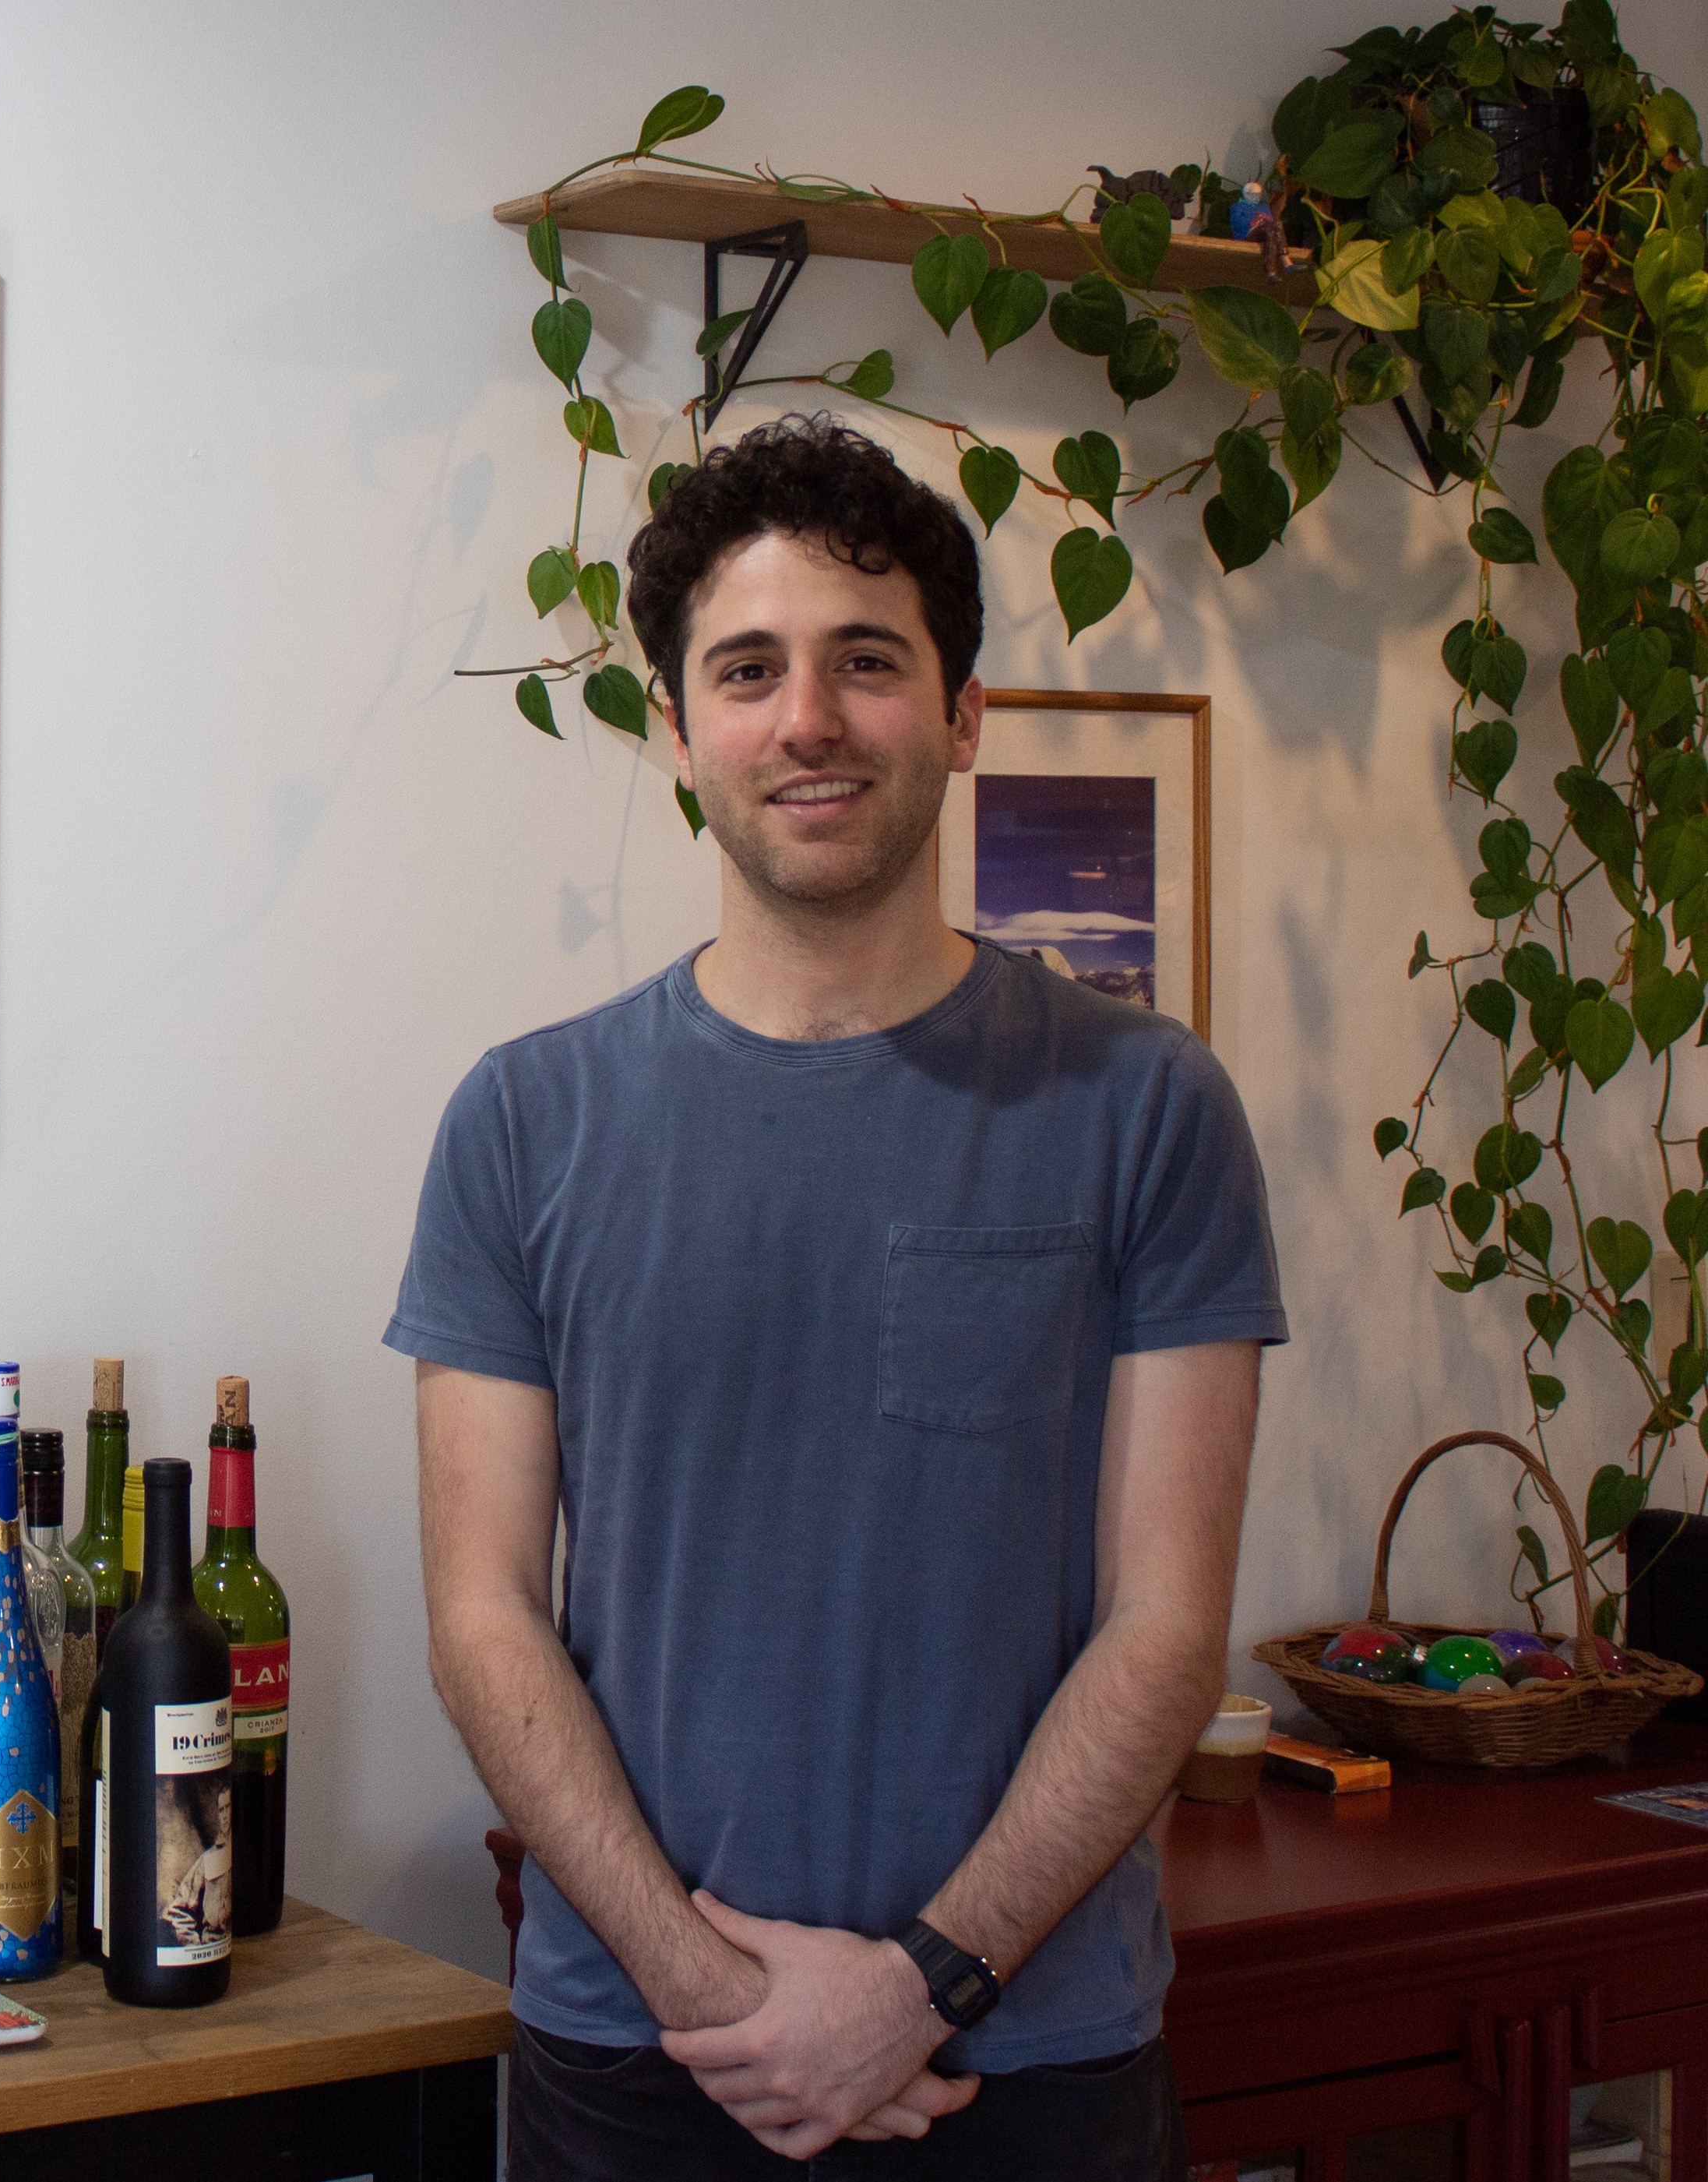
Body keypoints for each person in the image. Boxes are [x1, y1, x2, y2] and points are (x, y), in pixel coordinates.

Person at [392, 417, 1284, 2179]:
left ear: (958, 716)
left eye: (865, 662)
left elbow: (1165, 1630)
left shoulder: (1143, 1107)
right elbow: (482, 1617)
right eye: (746, 670)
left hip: (1025, 2066)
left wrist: (914, 1988)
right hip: (637, 2059)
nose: (805, 718)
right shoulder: (521, 1122)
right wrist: (713, 1990)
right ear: (674, 730)